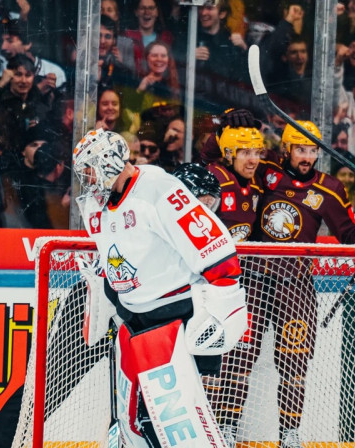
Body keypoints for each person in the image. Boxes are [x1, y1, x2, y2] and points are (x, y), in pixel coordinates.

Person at [216, 119, 355, 447]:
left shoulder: (330, 188)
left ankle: (289, 434)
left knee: (294, 363)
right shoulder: (265, 170)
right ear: (286, 149)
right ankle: (226, 429)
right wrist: (230, 122)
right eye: (301, 149)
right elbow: (230, 162)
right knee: (239, 358)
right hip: (253, 281)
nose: (307, 156)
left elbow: (348, 234)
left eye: (313, 150)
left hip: (296, 283)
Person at [72, 128, 247, 447]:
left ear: (110, 162)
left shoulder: (156, 187)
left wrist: (224, 302)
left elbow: (211, 243)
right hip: (131, 324)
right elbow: (112, 258)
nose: (87, 177)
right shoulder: (96, 207)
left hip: (172, 322)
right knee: (132, 423)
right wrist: (103, 297)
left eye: (90, 167)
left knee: (175, 425)